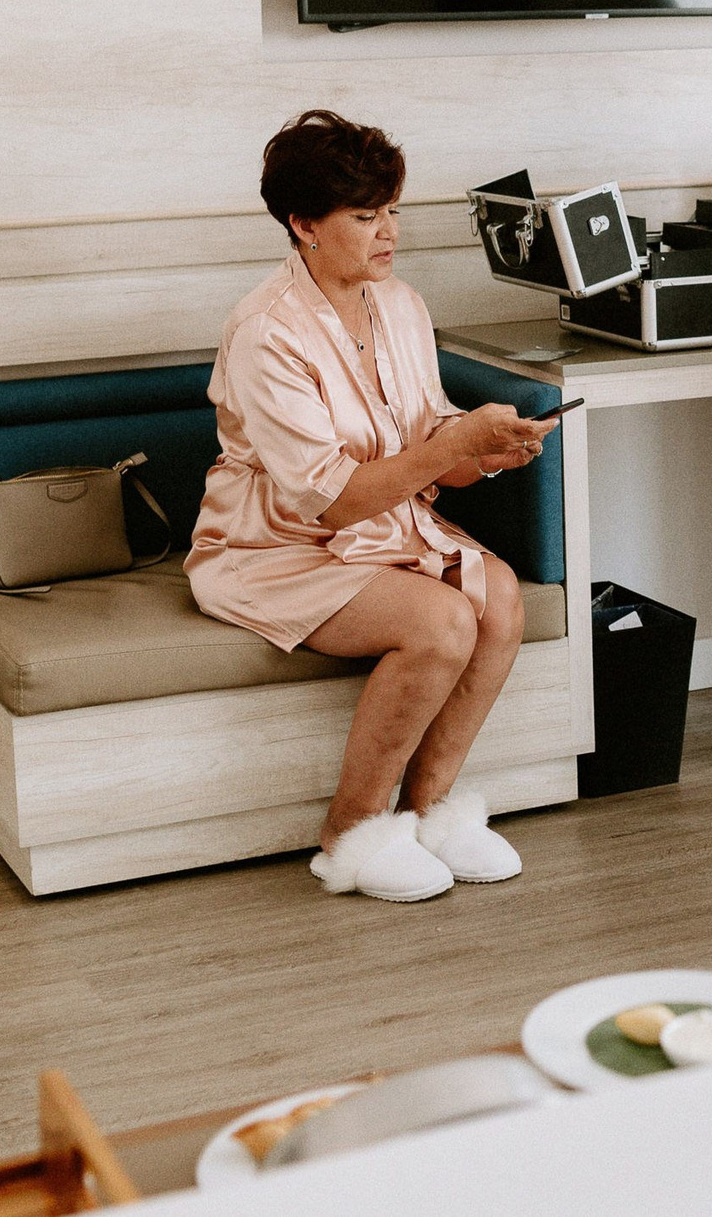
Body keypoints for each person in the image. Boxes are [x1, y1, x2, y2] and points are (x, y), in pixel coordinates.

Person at [187, 111, 557, 904]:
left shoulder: (401, 305)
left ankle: (433, 817)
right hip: (275, 546)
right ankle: (351, 835)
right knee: (442, 621)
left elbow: (426, 445)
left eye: (392, 210)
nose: (389, 232)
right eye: (365, 216)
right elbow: (329, 501)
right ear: (303, 225)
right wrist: (451, 447)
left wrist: (484, 451)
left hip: (380, 525)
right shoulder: (265, 333)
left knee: (501, 600)